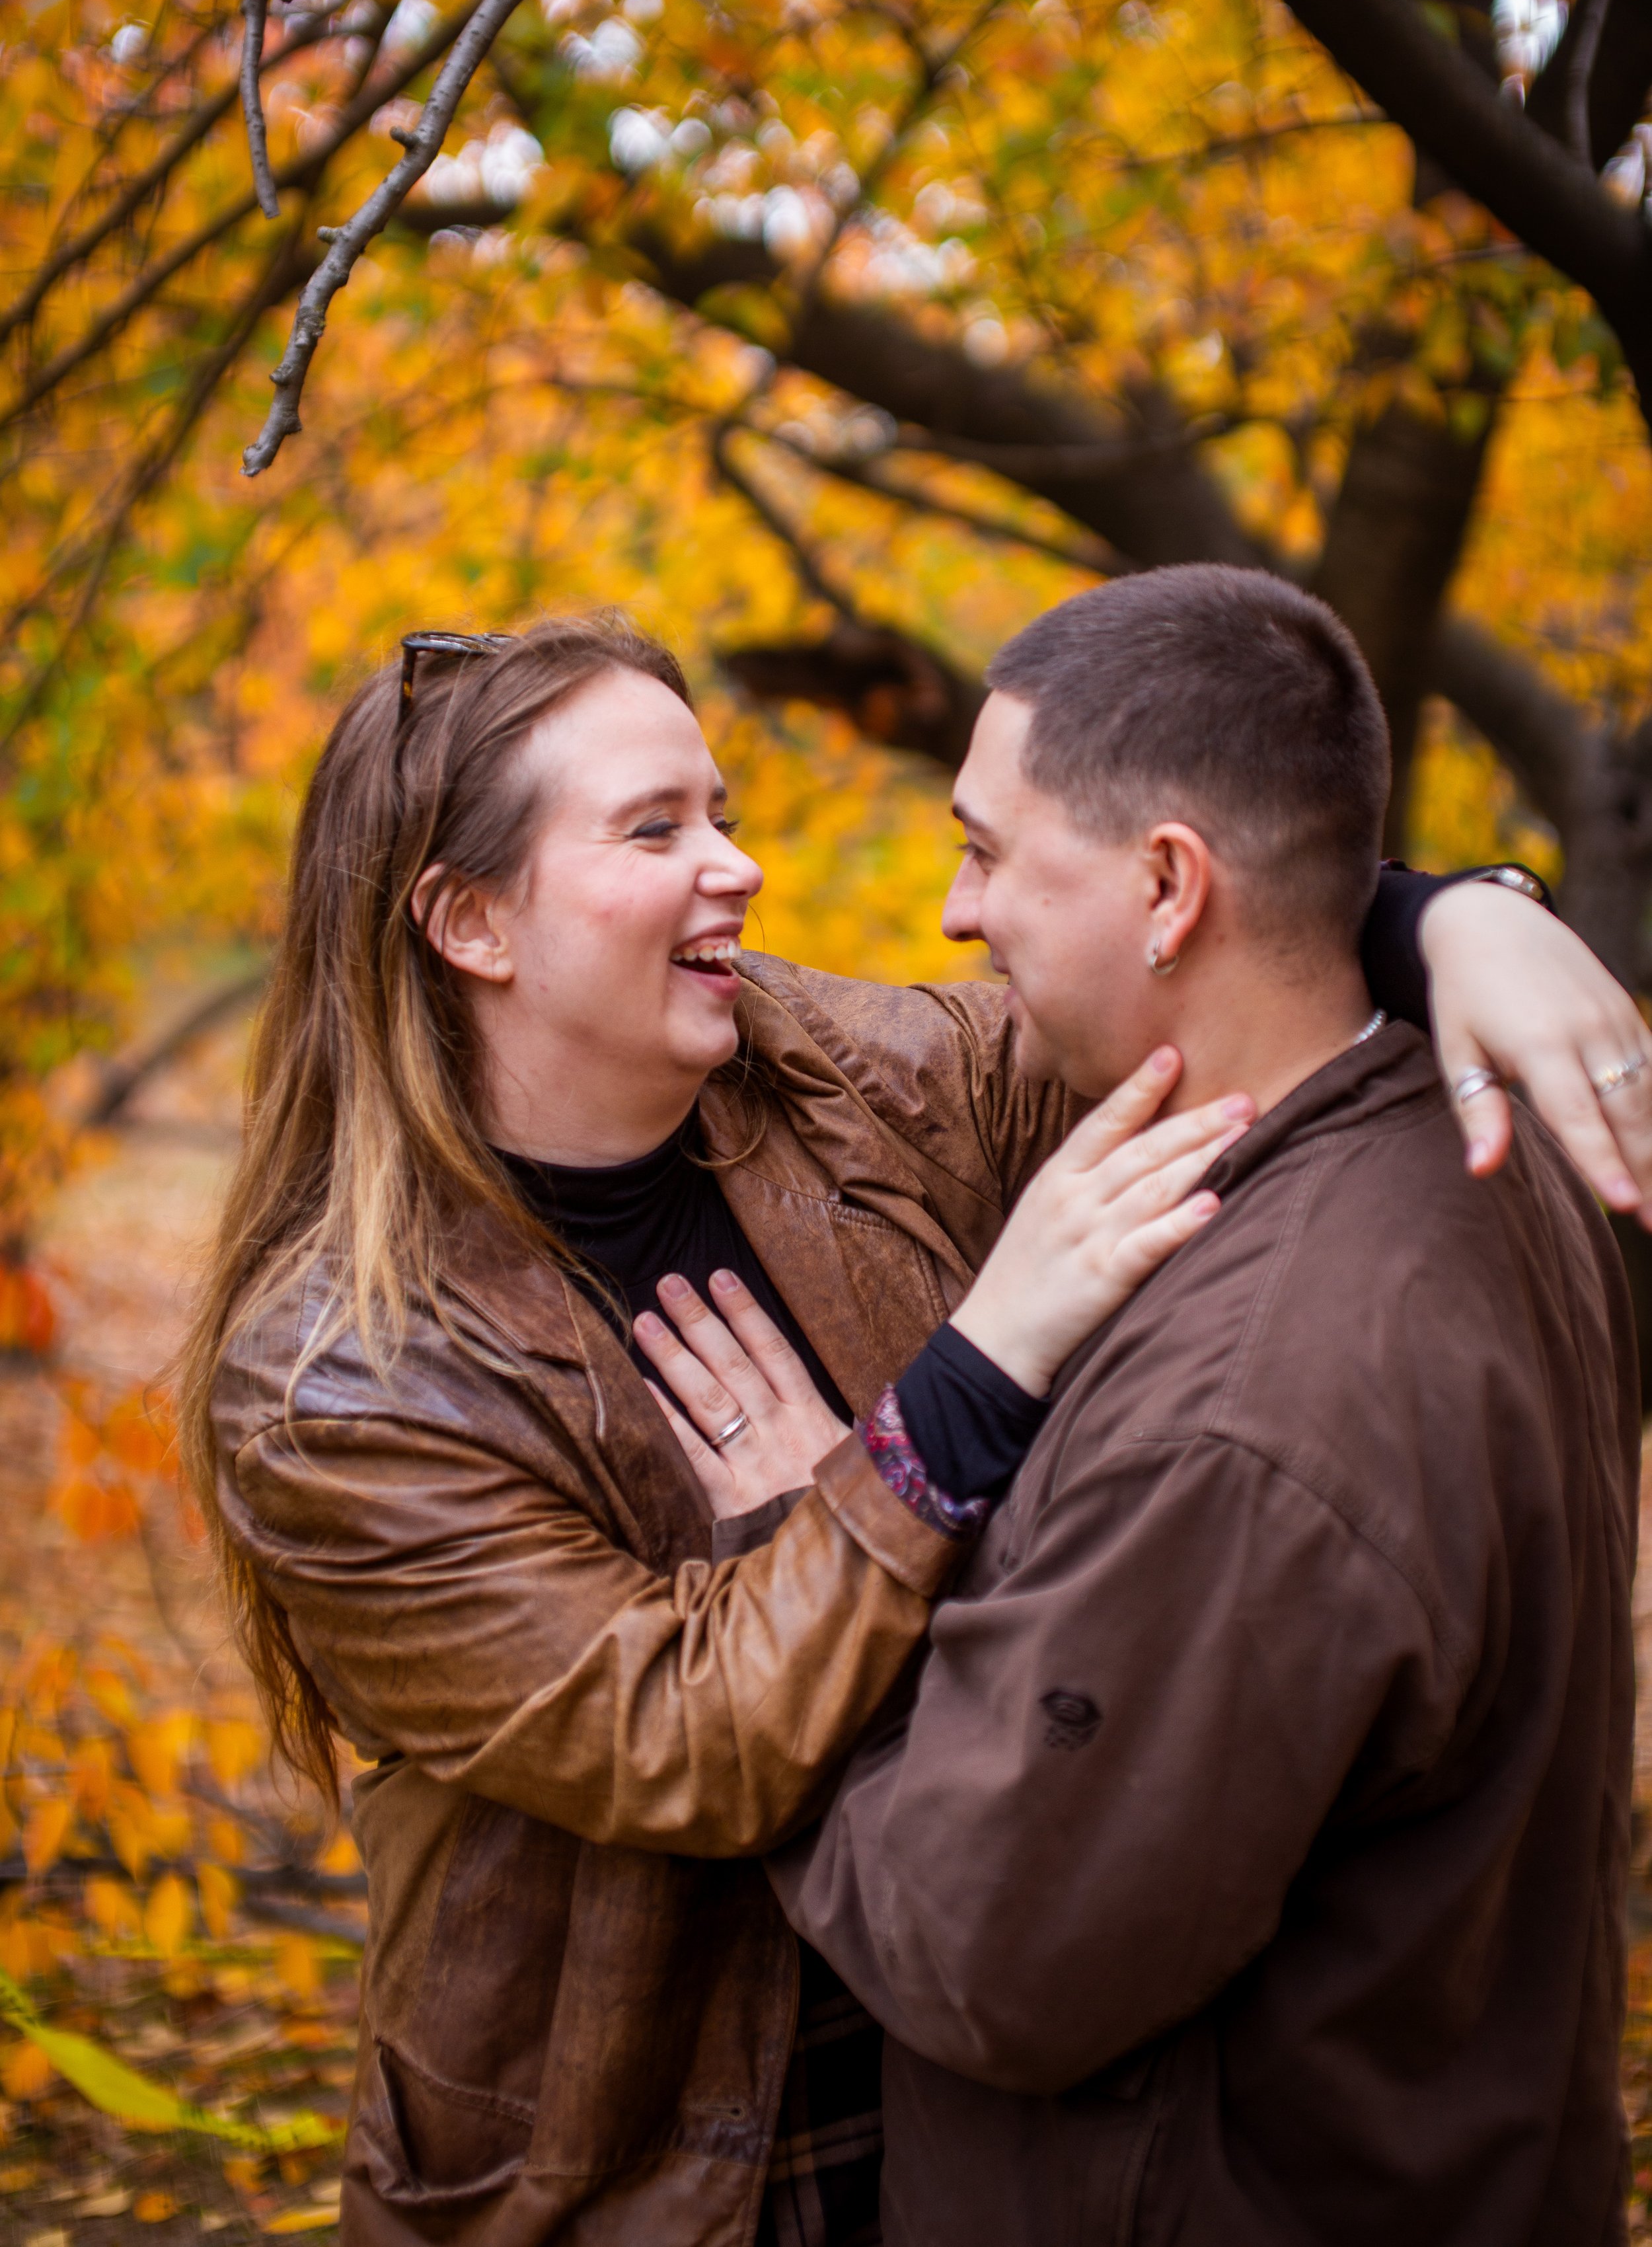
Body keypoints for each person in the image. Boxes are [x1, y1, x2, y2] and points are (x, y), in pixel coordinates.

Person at [177, 609, 1651, 2247]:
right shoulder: (339, 1385)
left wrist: (1445, 916)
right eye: (657, 829)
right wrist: (957, 1387)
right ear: (468, 923)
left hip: (964, 2105)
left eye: (719, 809)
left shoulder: (824, 1074)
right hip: (640, 2178)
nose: (733, 866)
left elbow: (1181, 962)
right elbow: (678, 1738)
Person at [762, 568, 1640, 2247]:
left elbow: (987, 1950)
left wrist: (794, 1554)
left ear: (1169, 888)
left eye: (987, 849)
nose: (955, 911)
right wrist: (1443, 906)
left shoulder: (1247, 1424)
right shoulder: (1480, 1141)